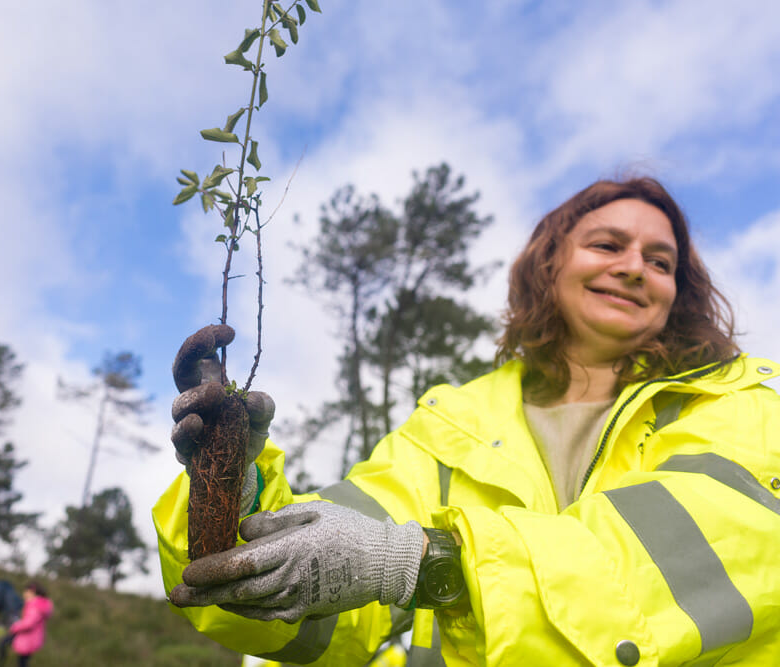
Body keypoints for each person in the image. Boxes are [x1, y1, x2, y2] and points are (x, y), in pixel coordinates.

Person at [155, 177, 780, 666]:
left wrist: (426, 564)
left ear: (679, 293)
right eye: (608, 245)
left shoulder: (742, 396)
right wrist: (235, 495)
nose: (636, 267)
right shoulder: (457, 421)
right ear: (549, 263)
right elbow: (330, 600)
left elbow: (721, 555)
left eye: (661, 262)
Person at [2, 581, 53, 667]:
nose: (24, 593)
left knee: (22, 661)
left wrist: (15, 626)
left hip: (27, 638)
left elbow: (28, 624)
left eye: (26, 591)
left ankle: (1, 662)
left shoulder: (35, 605)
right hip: (33, 638)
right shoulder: (40, 604)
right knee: (23, 660)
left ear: (32, 592)